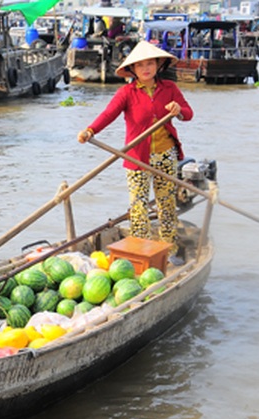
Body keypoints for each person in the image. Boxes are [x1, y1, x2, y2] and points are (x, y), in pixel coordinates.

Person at [76, 41, 193, 265]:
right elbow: (108, 114)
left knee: (166, 202)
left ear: (158, 65)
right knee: (138, 205)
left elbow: (188, 113)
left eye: (150, 63)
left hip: (165, 155)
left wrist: (178, 111)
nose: (146, 68)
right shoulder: (127, 93)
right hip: (136, 156)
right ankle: (142, 251)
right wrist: (90, 130)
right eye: (140, 66)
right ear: (133, 70)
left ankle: (169, 249)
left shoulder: (169, 88)